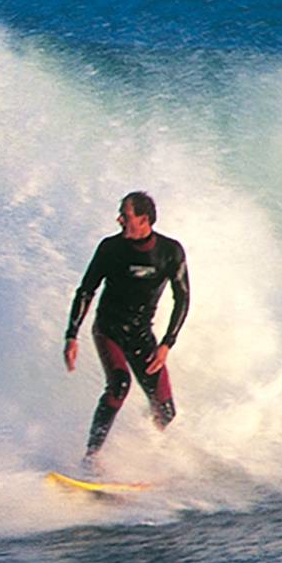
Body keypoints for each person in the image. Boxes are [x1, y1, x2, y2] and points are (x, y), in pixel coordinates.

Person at [63, 190, 190, 467]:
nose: (119, 219)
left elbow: (182, 298)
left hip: (142, 334)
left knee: (165, 412)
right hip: (109, 328)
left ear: (144, 219)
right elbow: (86, 291)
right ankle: (91, 457)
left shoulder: (170, 252)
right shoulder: (110, 248)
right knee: (119, 385)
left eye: (126, 214)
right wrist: (72, 336)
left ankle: (143, 454)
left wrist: (167, 344)